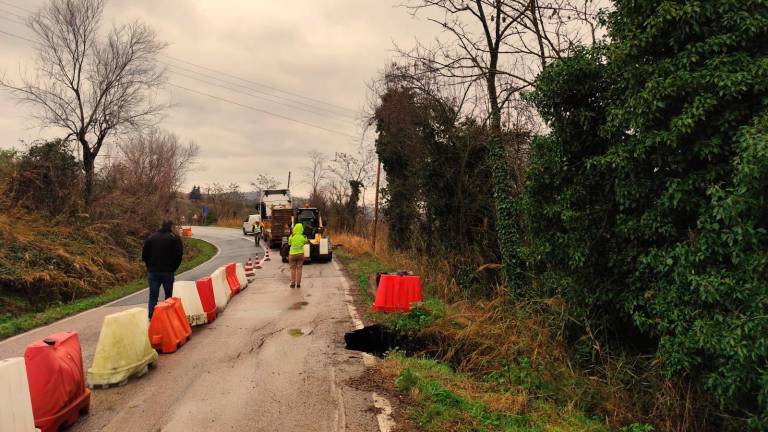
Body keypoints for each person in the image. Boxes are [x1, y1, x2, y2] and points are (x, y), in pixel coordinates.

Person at [142, 220, 184, 319]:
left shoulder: (151, 237)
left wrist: (149, 266)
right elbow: (179, 255)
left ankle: (152, 317)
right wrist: (174, 267)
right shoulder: (174, 238)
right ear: (171, 227)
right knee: (168, 296)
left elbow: (144, 255)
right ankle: (167, 317)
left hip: (153, 271)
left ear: (160, 226)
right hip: (168, 272)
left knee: (153, 296)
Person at [288, 223, 308, 288]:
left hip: (292, 254)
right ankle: (298, 284)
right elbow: (306, 241)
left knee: (293, 269)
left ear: (295, 228)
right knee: (299, 269)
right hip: (300, 254)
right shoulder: (303, 236)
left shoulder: (292, 236)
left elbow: (289, 242)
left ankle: (292, 284)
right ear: (302, 229)